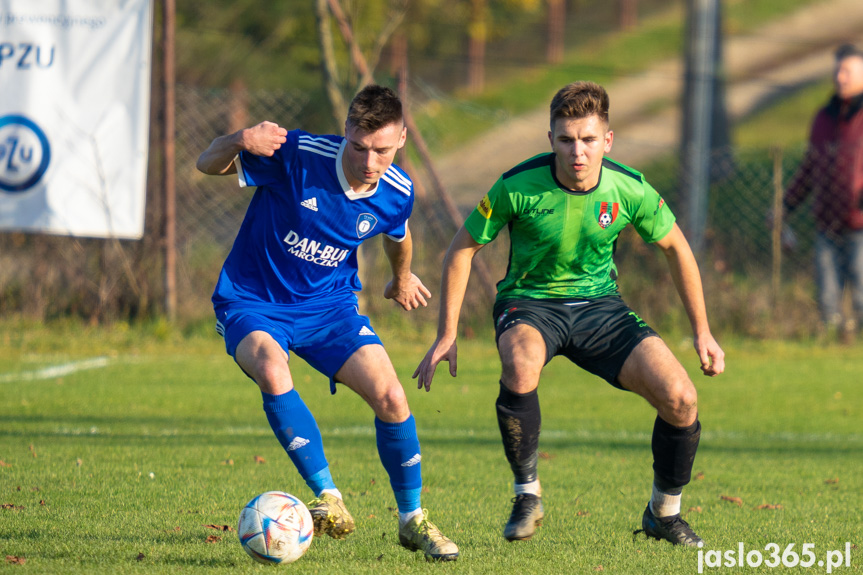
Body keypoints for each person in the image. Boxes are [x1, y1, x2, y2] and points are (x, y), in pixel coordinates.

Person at [414, 81, 724, 547]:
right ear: (551, 139)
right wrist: (447, 332)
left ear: (608, 140)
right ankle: (527, 496)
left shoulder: (629, 188)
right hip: (530, 303)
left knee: (681, 398)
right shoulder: (516, 185)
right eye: (566, 140)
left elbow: (677, 248)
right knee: (520, 366)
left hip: (601, 308)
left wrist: (703, 331)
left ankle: (664, 513)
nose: (577, 152)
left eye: (588, 140)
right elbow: (461, 250)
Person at [196, 84, 458, 561]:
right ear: (346, 133)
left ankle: (413, 520)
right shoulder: (298, 155)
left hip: (330, 308)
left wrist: (401, 279)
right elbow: (205, 163)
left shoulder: (398, 191)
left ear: (401, 139)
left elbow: (399, 236)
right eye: (358, 147)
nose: (369, 161)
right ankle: (329, 498)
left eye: (381, 150)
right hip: (252, 301)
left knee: (392, 397)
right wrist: (238, 139)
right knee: (274, 370)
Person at [784, 43, 863, 341]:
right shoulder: (823, 117)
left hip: (860, 224)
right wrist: (786, 205)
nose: (840, 77)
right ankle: (833, 343)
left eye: (847, 71)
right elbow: (809, 168)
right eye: (838, 70)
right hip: (827, 223)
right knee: (827, 294)